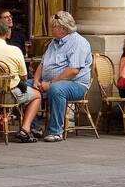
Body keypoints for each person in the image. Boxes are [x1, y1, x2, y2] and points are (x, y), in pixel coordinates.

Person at [26, 11, 92, 142]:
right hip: (48, 81)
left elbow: (73, 70)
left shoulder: (78, 42)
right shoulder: (53, 42)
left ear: (63, 28)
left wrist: (50, 83)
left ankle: (56, 131)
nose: (51, 29)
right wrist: (35, 80)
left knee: (57, 89)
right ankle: (33, 127)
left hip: (76, 84)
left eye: (53, 26)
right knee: (23, 85)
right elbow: (43, 64)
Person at [0, 18, 41, 143]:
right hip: (8, 95)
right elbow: (24, 77)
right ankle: (25, 130)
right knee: (37, 95)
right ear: (7, 33)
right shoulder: (14, 50)